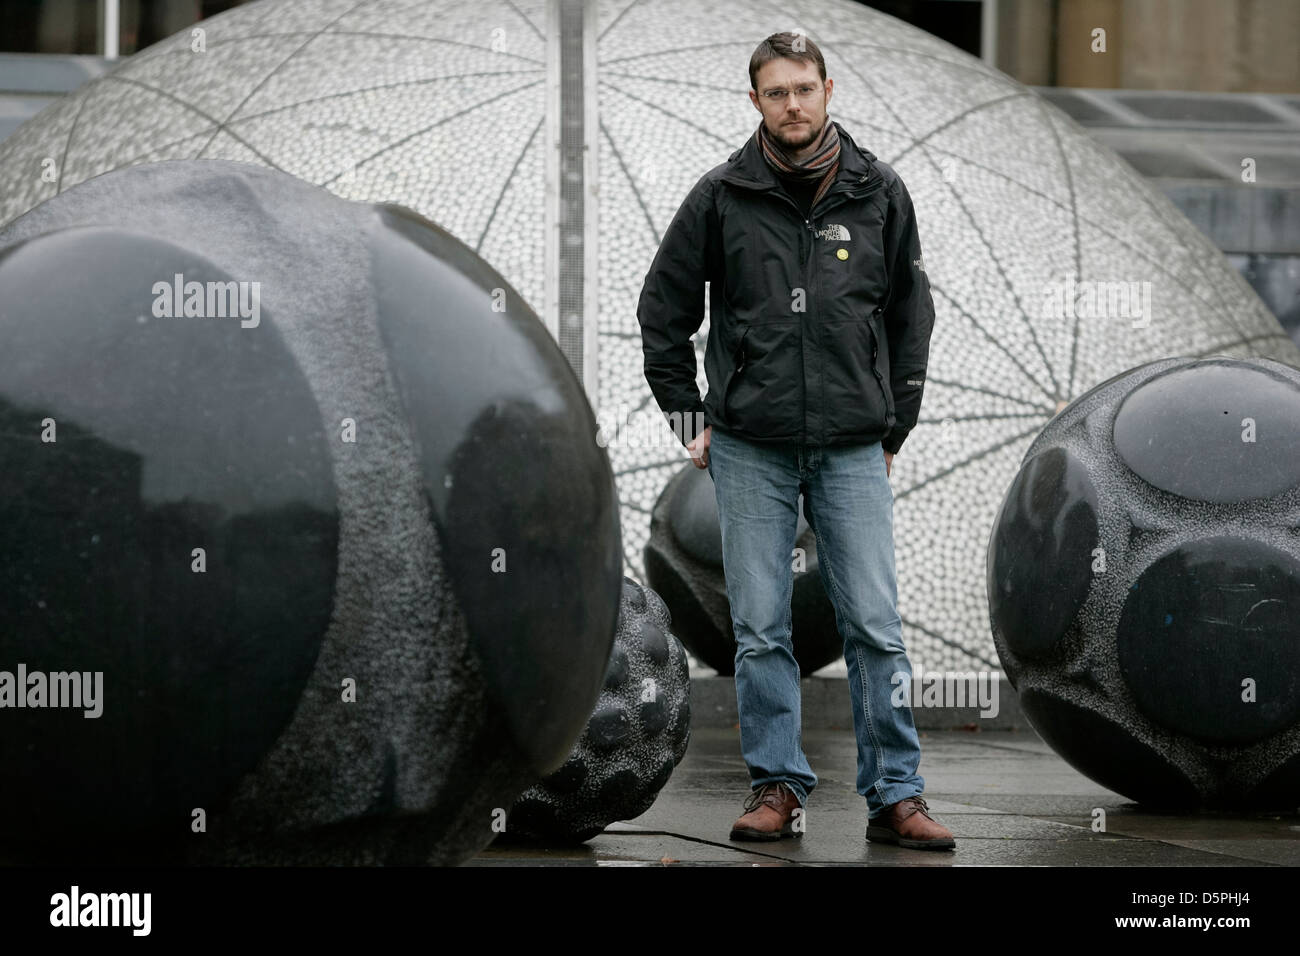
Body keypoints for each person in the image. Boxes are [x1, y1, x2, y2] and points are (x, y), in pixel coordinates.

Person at [636, 31, 954, 850]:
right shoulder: (720, 196)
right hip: (751, 447)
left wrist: (898, 421)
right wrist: (688, 417)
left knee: (875, 626)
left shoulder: (879, 191)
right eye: (775, 93)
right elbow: (663, 311)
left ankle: (896, 795)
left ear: (828, 90)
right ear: (755, 102)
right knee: (761, 628)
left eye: (805, 89)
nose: (793, 106)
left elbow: (910, 315)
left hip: (852, 446)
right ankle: (777, 787)